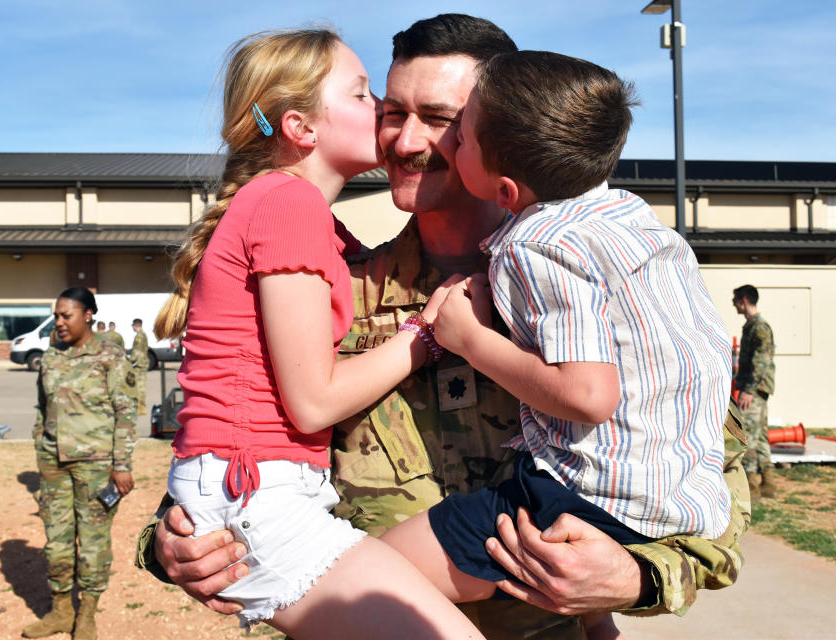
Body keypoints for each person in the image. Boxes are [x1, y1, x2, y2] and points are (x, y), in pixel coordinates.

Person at [139, 14, 750, 639]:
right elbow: (222, 442)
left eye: (439, 120)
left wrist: (636, 577)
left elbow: (711, 479)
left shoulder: (594, 293)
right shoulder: (322, 291)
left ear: (501, 134)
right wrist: (170, 544)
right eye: (391, 111)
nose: (405, 142)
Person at [377, 49, 733, 639]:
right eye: (393, 111)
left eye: (454, 128)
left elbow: (589, 395)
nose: (426, 143)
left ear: (508, 189)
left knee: (368, 575)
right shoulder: (632, 221)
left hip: (579, 503)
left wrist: (468, 338)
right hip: (672, 498)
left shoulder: (532, 246)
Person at [152, 27, 482, 639]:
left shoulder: (309, 223)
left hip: (257, 493)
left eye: (436, 116)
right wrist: (430, 333)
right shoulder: (289, 207)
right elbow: (312, 402)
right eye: (364, 97)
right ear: (302, 128)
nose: (385, 118)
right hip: (261, 496)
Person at [22, 287, 137, 640]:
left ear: (88, 315)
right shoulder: (52, 356)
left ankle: (87, 613)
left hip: (96, 466)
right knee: (56, 539)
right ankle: (60, 611)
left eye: (65, 315)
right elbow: (43, 407)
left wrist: (122, 465)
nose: (58, 323)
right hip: (54, 465)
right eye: (56, 316)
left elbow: (125, 412)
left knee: (92, 542)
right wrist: (41, 446)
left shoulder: (111, 355)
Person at [733, 284, 776, 498]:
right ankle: (768, 483)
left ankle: (751, 486)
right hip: (757, 388)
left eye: (735, 301)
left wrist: (748, 390)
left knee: (748, 434)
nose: (734, 305)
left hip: (755, 390)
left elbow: (761, 361)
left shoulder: (759, 327)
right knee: (760, 437)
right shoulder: (752, 325)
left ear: (743, 300)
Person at [128, 319, 149, 416]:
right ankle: (141, 407)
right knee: (141, 386)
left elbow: (136, 352)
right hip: (142, 363)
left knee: (139, 386)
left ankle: (141, 408)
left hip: (139, 364)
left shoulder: (139, 336)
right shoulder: (143, 335)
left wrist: (129, 361)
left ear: (135, 325)